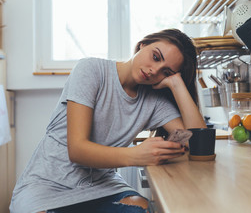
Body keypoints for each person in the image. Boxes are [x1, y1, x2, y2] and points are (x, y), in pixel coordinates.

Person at [10, 29, 207, 213]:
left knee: (143, 209)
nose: (154, 70)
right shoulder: (91, 70)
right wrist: (135, 155)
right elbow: (77, 150)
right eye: (156, 57)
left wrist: (177, 84)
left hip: (102, 186)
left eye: (166, 71)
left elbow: (198, 142)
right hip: (46, 185)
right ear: (143, 44)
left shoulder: (154, 101)